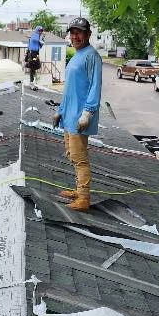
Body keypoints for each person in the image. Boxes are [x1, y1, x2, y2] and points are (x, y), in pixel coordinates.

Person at [53, 17, 102, 212]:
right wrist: (60, 111)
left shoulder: (92, 56)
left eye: (79, 32)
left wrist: (88, 113)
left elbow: (95, 87)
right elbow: (69, 90)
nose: (75, 36)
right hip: (69, 116)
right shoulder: (76, 55)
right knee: (72, 154)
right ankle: (78, 189)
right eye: (72, 33)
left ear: (88, 34)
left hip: (80, 118)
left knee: (80, 158)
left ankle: (84, 198)